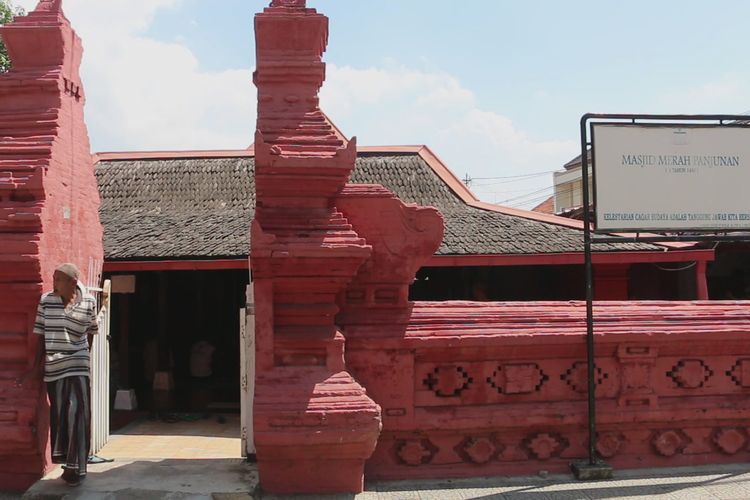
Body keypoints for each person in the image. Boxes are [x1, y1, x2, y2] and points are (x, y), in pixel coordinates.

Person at [18, 263, 99, 487]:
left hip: (78, 365)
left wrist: (84, 356)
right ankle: (67, 463)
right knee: (62, 415)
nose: (54, 283)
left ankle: (77, 468)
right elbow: (41, 336)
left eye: (59, 279)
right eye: (54, 278)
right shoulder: (46, 301)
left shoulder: (89, 302)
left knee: (78, 413)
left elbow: (91, 332)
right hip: (54, 367)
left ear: (73, 282)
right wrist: (36, 367)